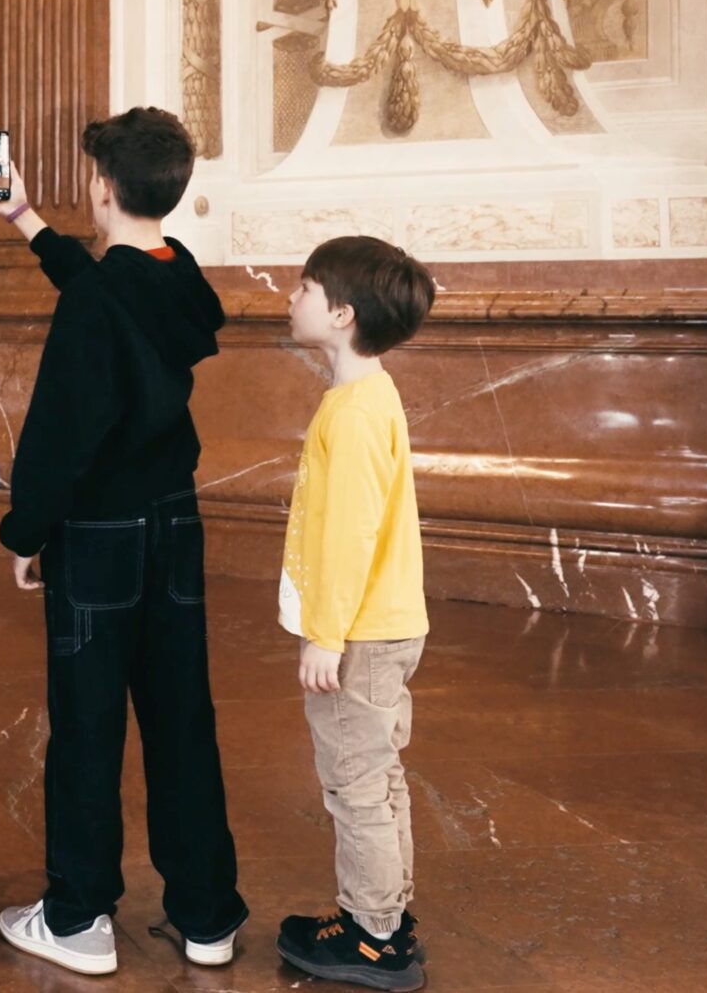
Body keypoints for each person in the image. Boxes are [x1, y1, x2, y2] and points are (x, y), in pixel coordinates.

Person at [0, 110, 248, 976]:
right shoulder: (181, 275)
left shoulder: (100, 301)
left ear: (100, 186)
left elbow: (61, 433)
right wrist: (25, 221)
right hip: (176, 526)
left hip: (98, 540)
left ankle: (78, 915)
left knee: (88, 726)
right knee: (182, 719)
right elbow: (109, 289)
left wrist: (26, 530)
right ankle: (206, 915)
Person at [273, 235, 436, 992]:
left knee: (356, 781)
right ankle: (382, 914)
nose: (290, 296)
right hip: (380, 621)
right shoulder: (366, 395)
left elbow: (349, 532)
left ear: (339, 313)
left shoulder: (357, 411)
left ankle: (375, 938)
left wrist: (324, 635)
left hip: (361, 631)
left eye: (304, 287)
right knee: (377, 775)